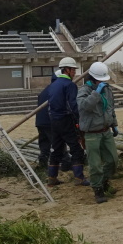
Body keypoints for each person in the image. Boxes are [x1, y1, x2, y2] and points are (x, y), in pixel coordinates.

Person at [77, 61, 119, 204]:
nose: (102, 82)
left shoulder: (107, 89)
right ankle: (98, 190)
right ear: (93, 78)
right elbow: (84, 107)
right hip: (92, 133)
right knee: (95, 164)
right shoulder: (84, 90)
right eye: (100, 80)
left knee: (113, 160)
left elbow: (110, 107)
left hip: (105, 130)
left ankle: (104, 181)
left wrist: (114, 124)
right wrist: (96, 93)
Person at [47, 57, 89, 186]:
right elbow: (73, 106)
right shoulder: (70, 85)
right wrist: (79, 120)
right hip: (66, 120)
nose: (74, 72)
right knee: (76, 149)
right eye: (73, 70)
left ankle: (52, 178)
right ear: (67, 70)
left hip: (54, 121)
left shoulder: (53, 85)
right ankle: (79, 178)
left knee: (56, 149)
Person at [34, 70, 58, 169]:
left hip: (40, 121)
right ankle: (66, 163)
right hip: (49, 121)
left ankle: (43, 162)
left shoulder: (45, 90)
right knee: (57, 143)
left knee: (44, 143)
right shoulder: (56, 90)